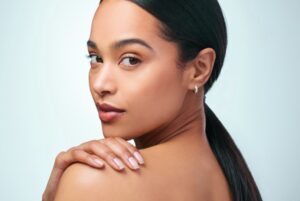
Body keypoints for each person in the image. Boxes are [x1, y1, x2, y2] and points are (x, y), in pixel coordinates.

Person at [42, 0, 263, 200]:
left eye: (130, 59)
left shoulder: (92, 181)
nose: (100, 84)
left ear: (199, 69)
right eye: (96, 58)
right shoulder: (227, 178)